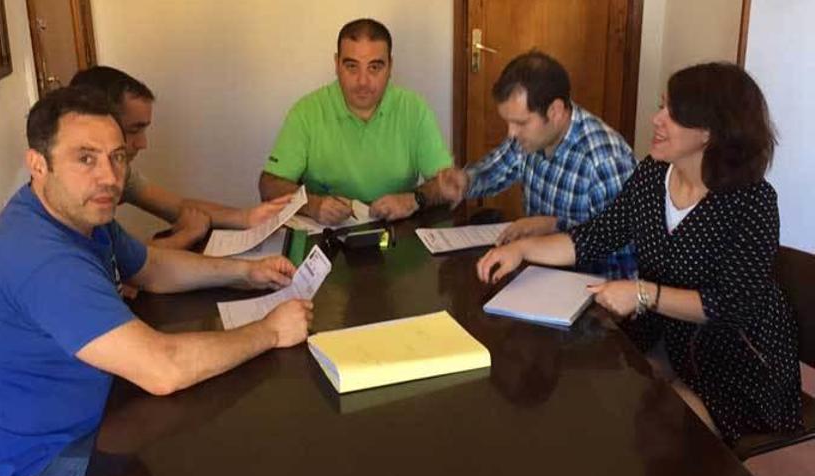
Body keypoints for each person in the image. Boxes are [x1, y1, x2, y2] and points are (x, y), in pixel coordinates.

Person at [0, 86, 313, 476]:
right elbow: (163, 369)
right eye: (85, 158)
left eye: (117, 157)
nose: (109, 177)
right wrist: (270, 331)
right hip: (32, 474)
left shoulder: (78, 216)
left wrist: (245, 273)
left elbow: (152, 267)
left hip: (81, 424)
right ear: (38, 164)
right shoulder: (41, 257)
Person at [475, 62, 802, 443]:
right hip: (672, 336)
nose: (657, 119)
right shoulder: (652, 174)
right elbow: (596, 235)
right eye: (661, 106)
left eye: (673, 114)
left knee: (661, 442)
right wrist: (521, 249)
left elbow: (733, 305)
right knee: (590, 399)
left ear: (709, 132)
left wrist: (643, 294)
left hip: (738, 358)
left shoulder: (753, 201)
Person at [435, 50, 637, 279]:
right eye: (508, 122)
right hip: (537, 276)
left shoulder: (605, 160)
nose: (511, 133)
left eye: (520, 123)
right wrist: (466, 180)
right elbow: (496, 170)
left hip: (590, 291)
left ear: (555, 111)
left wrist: (554, 226)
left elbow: (623, 260)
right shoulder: (530, 138)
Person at [70, 66, 291, 250]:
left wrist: (247, 217)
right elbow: (116, 266)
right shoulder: (68, 188)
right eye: (134, 130)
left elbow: (178, 206)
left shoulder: (122, 174)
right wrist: (185, 236)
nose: (143, 143)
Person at [258, 18, 453, 225]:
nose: (362, 81)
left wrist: (414, 199)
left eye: (374, 68)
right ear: (336, 64)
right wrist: (313, 205)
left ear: (390, 66)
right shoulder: (306, 111)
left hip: (396, 232)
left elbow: (447, 185)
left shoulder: (414, 109)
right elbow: (269, 186)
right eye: (352, 67)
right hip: (326, 234)